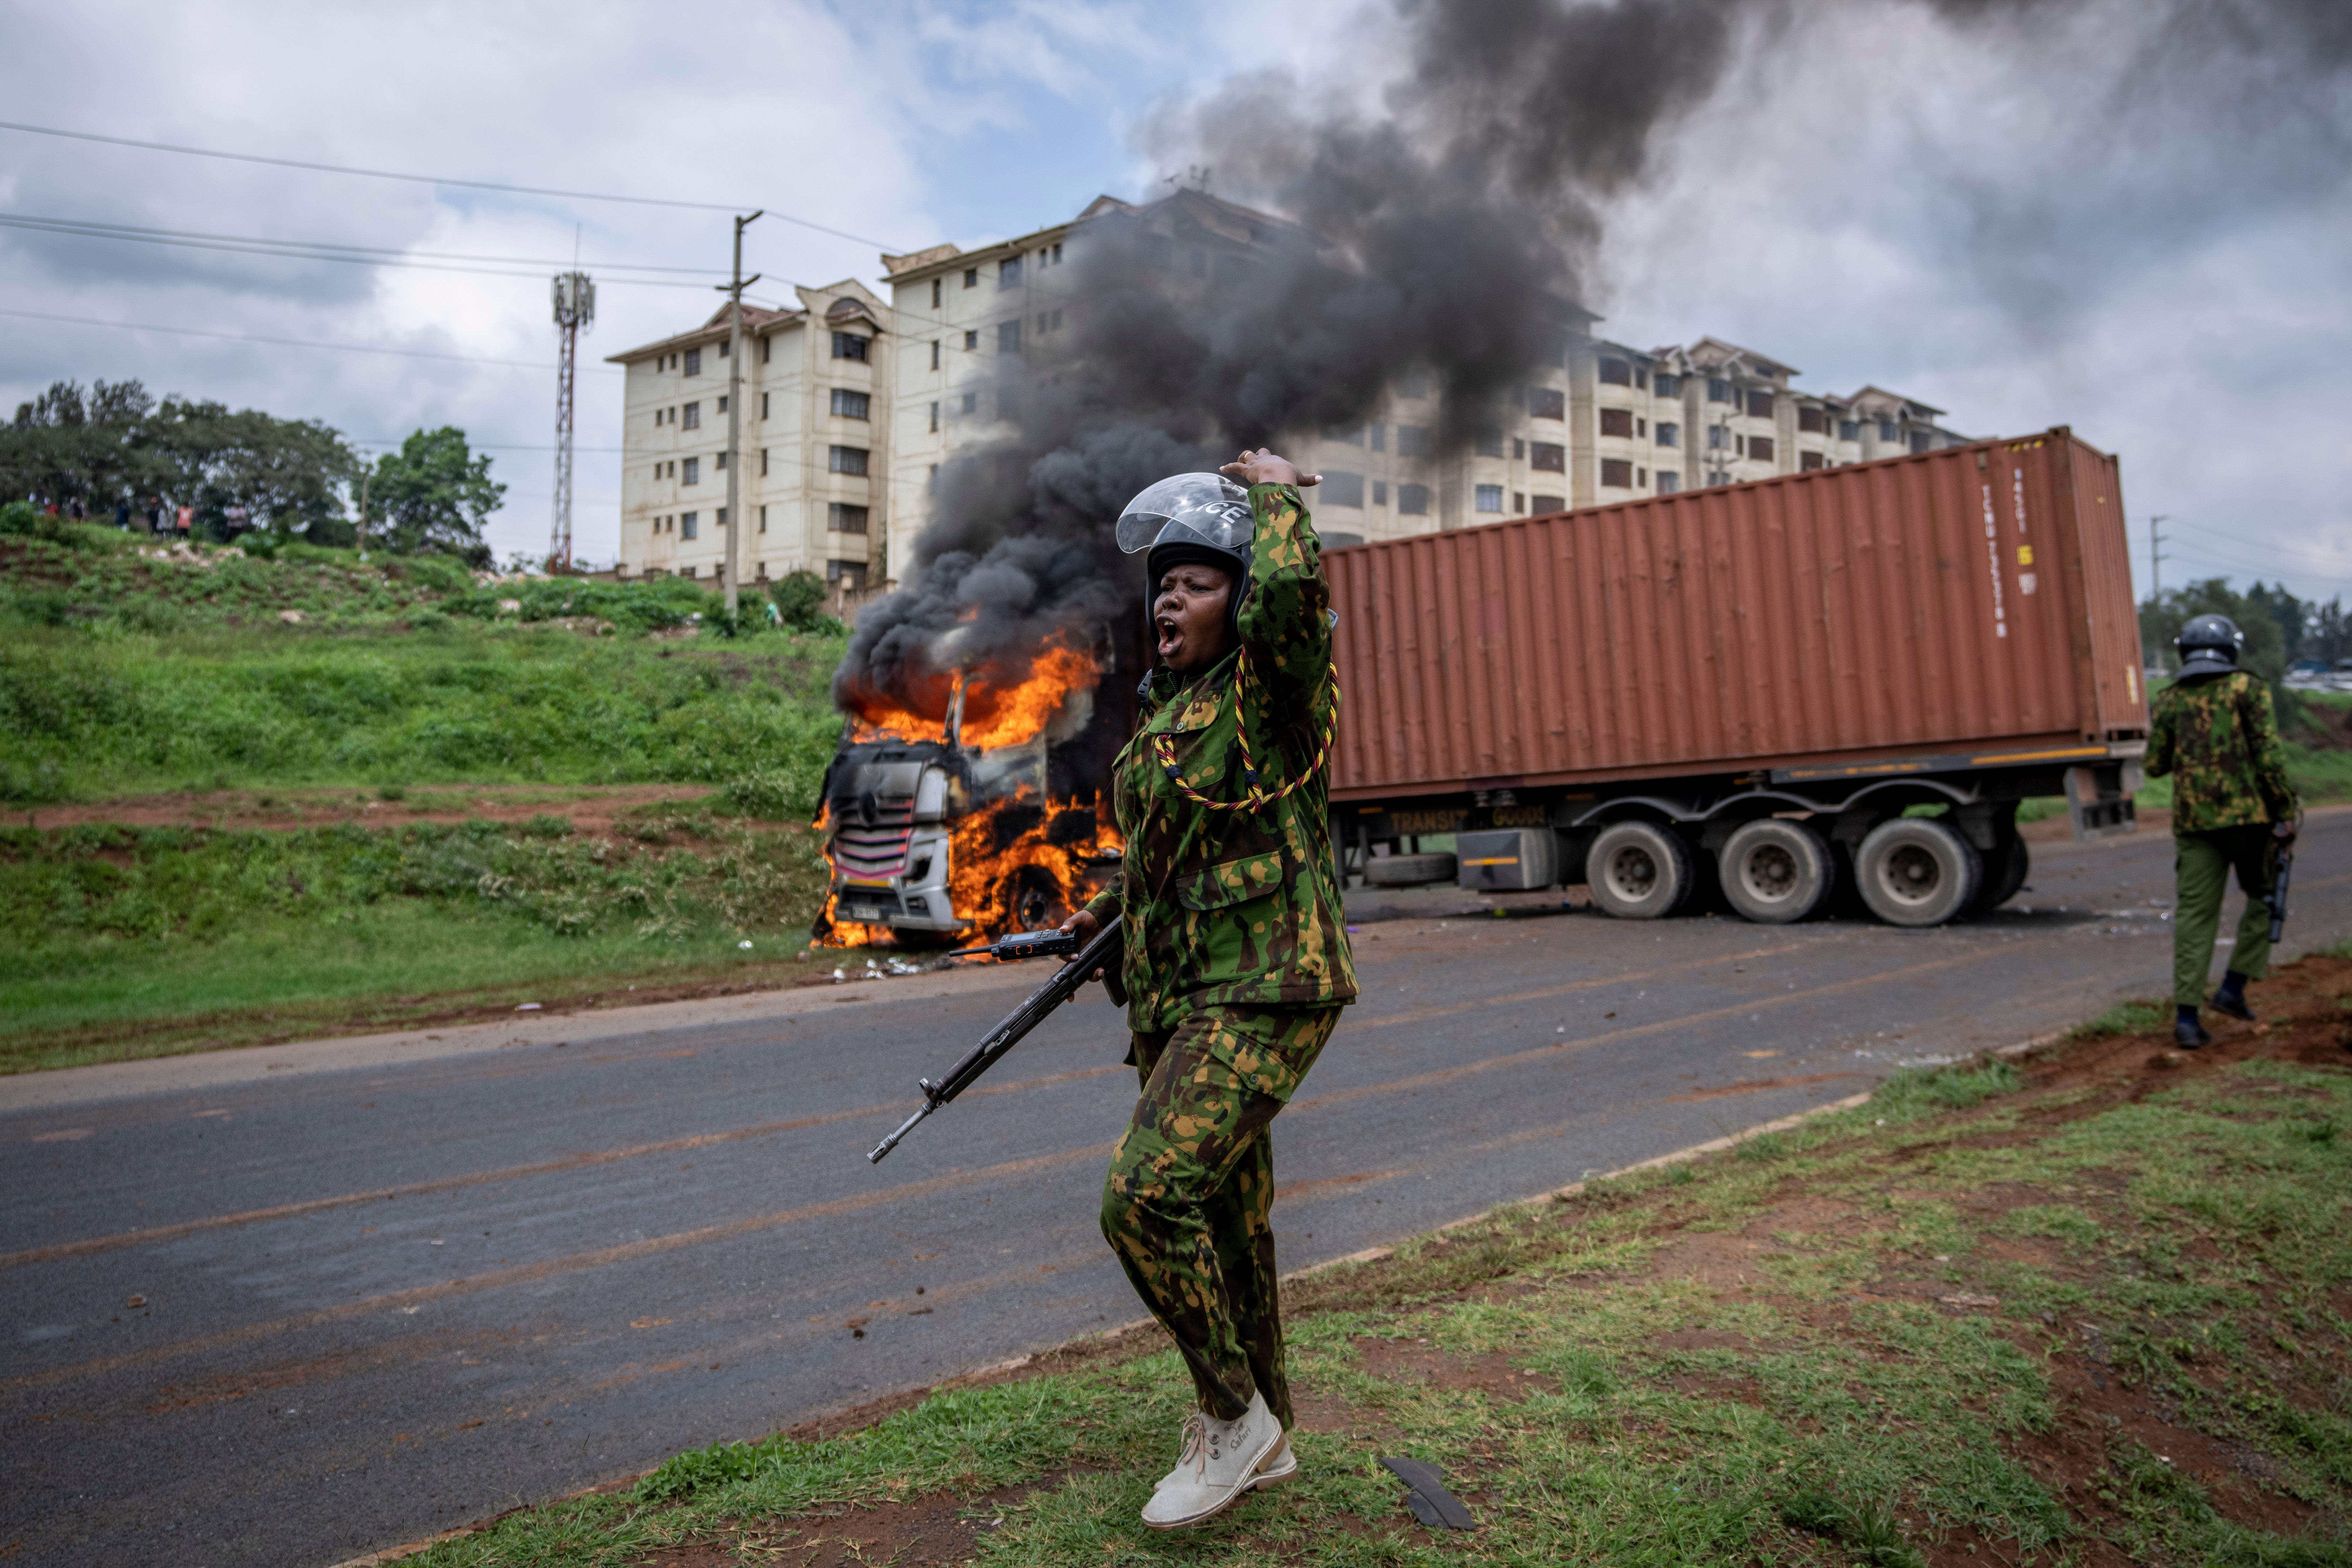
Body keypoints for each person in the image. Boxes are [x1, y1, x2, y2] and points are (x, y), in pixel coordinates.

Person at [1056, 448, 1355, 1530]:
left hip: (1266, 985)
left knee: (1141, 1198)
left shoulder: (1273, 692)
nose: (1168, 598)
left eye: (1194, 581)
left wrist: (1275, 497)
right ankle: (1263, 1429)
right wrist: (1102, 915)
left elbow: (1291, 600)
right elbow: (1171, 856)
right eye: (1161, 585)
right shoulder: (1170, 715)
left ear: (1242, 597)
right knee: (1232, 1229)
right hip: (1184, 996)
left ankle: (1230, 1421)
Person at [2143, 613, 2299, 1048]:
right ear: (2232, 650)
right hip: (2251, 821)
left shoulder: (2171, 698)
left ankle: (2187, 1020)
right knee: (2265, 897)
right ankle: (2233, 987)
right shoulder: (2248, 689)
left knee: (2195, 915)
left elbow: (2154, 765)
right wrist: (2285, 810)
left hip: (2195, 825)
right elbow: (2268, 756)